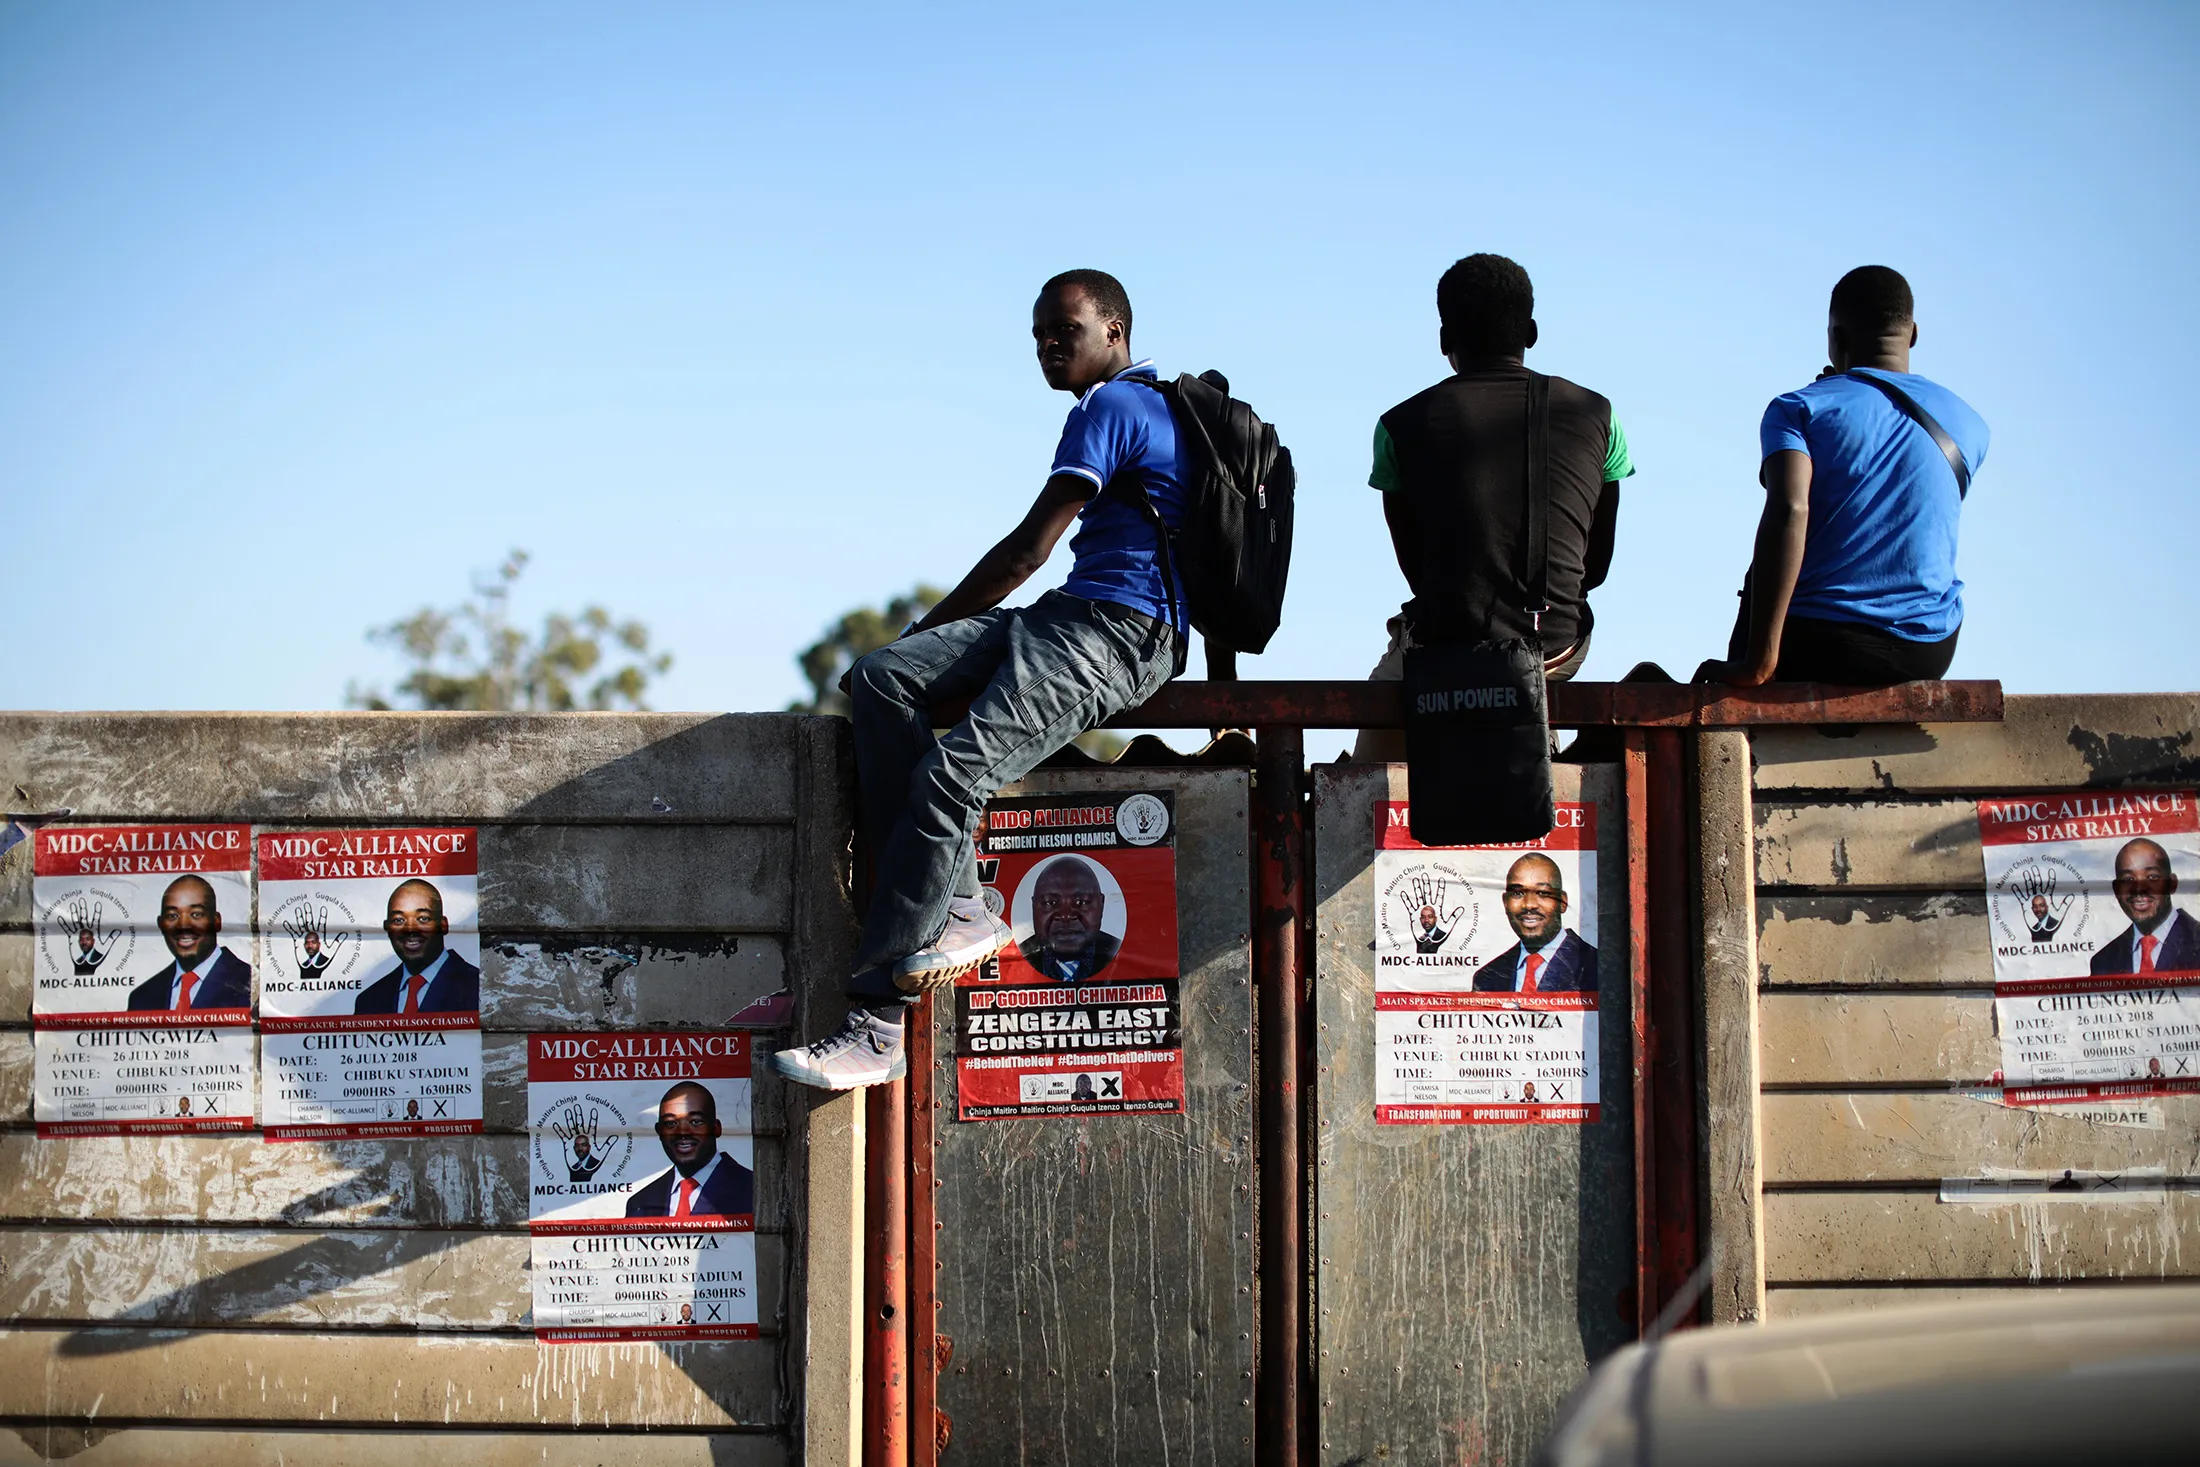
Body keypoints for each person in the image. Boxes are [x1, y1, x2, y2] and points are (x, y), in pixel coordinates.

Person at [773, 269, 1183, 1089]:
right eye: (1037, 334)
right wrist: (918, 643)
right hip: (1071, 613)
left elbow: (1026, 550)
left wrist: (934, 623)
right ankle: (963, 903)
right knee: (883, 678)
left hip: (1119, 631)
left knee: (949, 776)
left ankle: (875, 1024)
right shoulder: (1114, 410)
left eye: (1065, 327)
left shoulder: (1119, 406)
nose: (1048, 344)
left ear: (1115, 329)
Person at [1353, 254, 1636, 761]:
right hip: (1557, 645)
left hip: (1447, 645)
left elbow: (1418, 571)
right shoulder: (1599, 415)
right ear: (1531, 331)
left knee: (1373, 750)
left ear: (1444, 340)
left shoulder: (1397, 426)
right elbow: (1596, 567)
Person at [1696, 266, 1988, 687]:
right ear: (1914, 335)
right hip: (1928, 650)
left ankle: (1756, 661)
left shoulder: (1798, 408)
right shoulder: (1970, 425)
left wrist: (1758, 663)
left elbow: (1790, 508)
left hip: (1821, 644)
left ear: (1837, 338)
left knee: (1771, 555)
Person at [625, 1082, 756, 1219]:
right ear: (659, 1131)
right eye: (671, 1123)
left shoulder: (752, 1189)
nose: (682, 1132)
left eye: (695, 1121)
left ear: (716, 1128)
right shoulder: (640, 1202)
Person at [126, 875, 254, 1011]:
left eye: (196, 914)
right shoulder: (142, 997)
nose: (183, 925)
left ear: (216, 921)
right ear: (160, 924)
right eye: (172, 916)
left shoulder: (251, 983)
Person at [353, 879, 480, 1016]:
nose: (410, 929)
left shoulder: (479, 987)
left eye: (423, 918)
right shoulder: (369, 1000)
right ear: (387, 928)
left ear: (443, 925)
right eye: (399, 920)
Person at [1475, 854, 1596, 992]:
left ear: (1562, 902)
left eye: (1542, 893)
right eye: (1518, 893)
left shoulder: (1595, 966)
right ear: (1505, 902)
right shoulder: (1487, 977)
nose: (1529, 904)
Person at [2089, 839, 2199, 975]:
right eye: (2128, 879)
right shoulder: (2103, 961)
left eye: (2152, 877)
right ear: (2116, 890)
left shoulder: (2196, 941)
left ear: (2172, 884)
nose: (2139, 889)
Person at [1016, 858, 1121, 982]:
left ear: (1101, 904)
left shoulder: (1123, 956)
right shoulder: (1013, 959)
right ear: (1034, 906)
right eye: (1050, 902)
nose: (1066, 916)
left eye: (1081, 902)